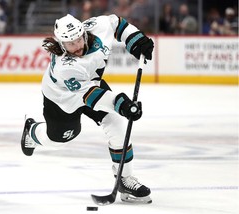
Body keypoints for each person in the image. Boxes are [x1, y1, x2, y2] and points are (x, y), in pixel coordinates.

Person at [21, 13, 154, 203]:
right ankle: (32, 131)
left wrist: (135, 39)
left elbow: (116, 23)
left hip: (90, 85)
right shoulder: (65, 67)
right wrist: (121, 104)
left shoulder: (97, 27)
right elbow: (91, 96)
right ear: (61, 45)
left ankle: (124, 178)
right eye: (70, 44)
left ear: (83, 33)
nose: (77, 47)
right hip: (61, 98)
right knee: (61, 138)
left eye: (78, 40)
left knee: (115, 122)